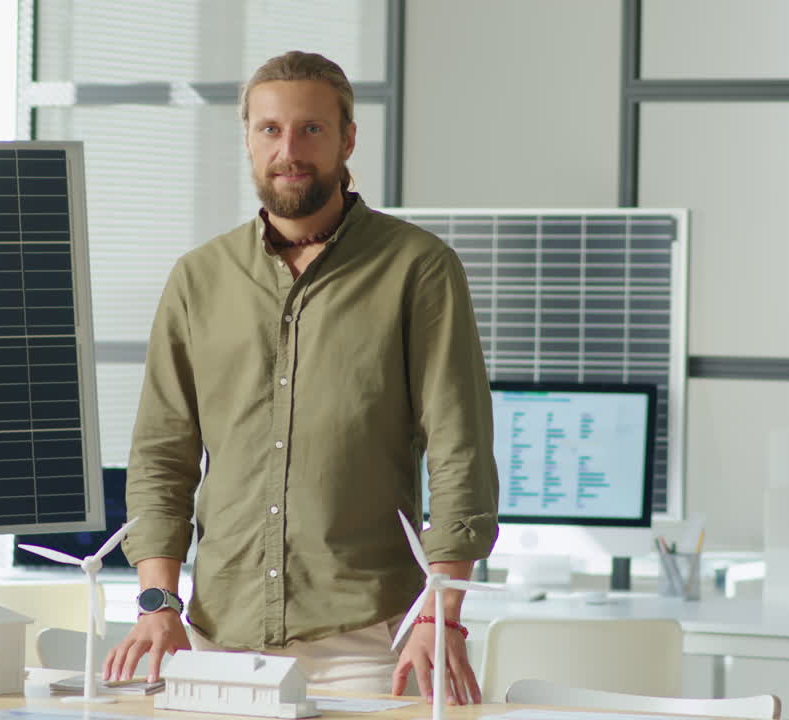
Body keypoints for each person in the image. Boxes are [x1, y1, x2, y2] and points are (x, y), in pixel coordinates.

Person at [106, 50, 498, 704]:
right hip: (215, 638)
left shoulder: (418, 268)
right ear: (249, 140)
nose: (289, 149)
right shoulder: (198, 279)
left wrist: (442, 612)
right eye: (269, 130)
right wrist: (155, 602)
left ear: (347, 138)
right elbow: (160, 457)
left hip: (370, 640)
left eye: (311, 129)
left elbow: (459, 450)